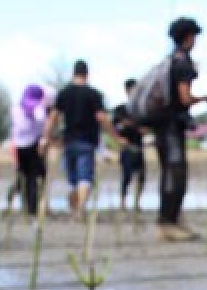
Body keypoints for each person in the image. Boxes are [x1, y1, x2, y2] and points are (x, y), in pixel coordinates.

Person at [41, 59, 121, 219]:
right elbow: (102, 117)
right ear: (87, 74)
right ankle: (80, 209)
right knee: (85, 177)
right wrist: (116, 137)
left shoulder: (64, 93)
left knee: (73, 179)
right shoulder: (93, 94)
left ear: (73, 73)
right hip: (86, 141)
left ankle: (75, 205)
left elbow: (53, 117)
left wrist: (46, 137)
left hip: (69, 141)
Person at [155, 17, 207, 240]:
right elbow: (184, 97)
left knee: (169, 173)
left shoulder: (168, 61)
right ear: (189, 37)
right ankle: (168, 222)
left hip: (162, 127)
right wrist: (202, 99)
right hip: (171, 128)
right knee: (175, 174)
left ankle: (172, 220)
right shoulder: (182, 64)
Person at [10, 84, 48, 217]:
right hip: (33, 144)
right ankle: (32, 207)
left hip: (19, 145)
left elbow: (14, 126)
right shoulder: (38, 107)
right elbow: (41, 120)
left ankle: (18, 200)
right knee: (34, 176)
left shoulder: (16, 107)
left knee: (22, 174)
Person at [114, 79, 146, 210]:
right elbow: (117, 126)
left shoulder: (142, 109)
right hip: (127, 148)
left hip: (138, 147)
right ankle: (123, 202)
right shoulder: (121, 109)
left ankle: (137, 202)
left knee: (141, 176)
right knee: (126, 176)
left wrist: (132, 125)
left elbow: (145, 128)